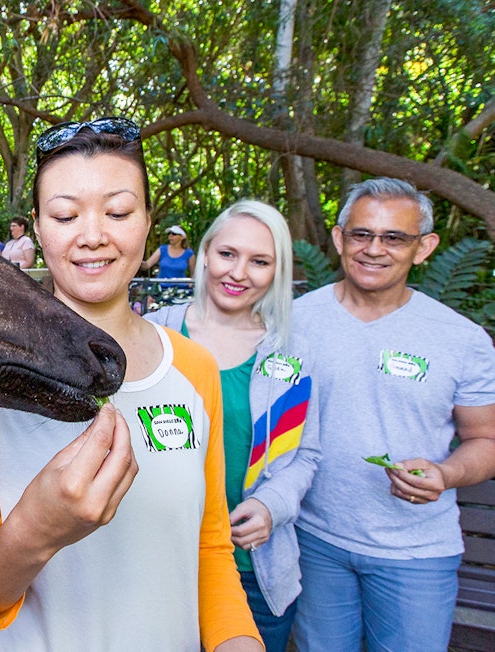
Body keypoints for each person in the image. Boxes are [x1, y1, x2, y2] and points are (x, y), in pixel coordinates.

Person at [0, 116, 263, 651]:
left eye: (118, 211)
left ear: (147, 222)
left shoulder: (195, 371)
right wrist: (34, 530)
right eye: (65, 214)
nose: (92, 236)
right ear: (37, 228)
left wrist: (238, 641)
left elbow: (208, 550)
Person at [290, 177, 495, 651]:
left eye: (394, 238)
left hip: (416, 551)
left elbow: (485, 440)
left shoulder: (460, 340)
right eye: (361, 234)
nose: (374, 249)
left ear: (423, 248)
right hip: (316, 541)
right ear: (340, 238)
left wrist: (445, 472)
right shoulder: (295, 321)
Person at [145, 200, 320, 651]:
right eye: (228, 254)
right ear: (204, 253)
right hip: (159, 562)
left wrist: (271, 506)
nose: (239, 272)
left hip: (253, 567)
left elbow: (306, 456)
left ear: (276, 271)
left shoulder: (291, 353)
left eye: (259, 261)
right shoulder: (154, 333)